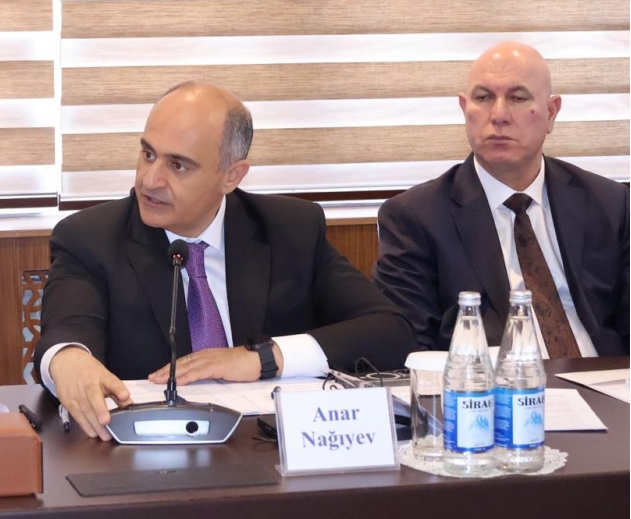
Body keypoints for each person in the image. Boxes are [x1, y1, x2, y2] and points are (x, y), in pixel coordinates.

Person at [33, 82, 414, 439]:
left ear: (231, 176)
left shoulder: (289, 230)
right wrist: (68, 360)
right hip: (146, 457)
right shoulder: (91, 238)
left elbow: (390, 331)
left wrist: (264, 358)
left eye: (178, 165)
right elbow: (67, 329)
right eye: (148, 154)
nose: (150, 180)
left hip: (266, 450)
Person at [373, 41, 628, 357]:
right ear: (465, 109)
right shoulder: (415, 218)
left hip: (606, 379)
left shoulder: (610, 203)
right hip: (491, 384)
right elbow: (412, 352)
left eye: (518, 98)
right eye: (483, 98)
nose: (499, 115)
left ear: (550, 113)